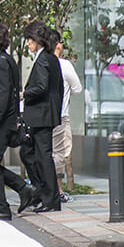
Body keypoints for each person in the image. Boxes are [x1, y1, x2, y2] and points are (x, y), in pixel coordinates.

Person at [0, 23, 32, 220]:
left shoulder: (0, 63)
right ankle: (23, 189)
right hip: (8, 120)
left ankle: (2, 207)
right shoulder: (8, 60)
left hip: (1, 122)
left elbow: (2, 97)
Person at [22, 21, 63, 213]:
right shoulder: (50, 58)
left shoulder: (44, 59)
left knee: (43, 157)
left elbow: (41, 87)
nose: (28, 44)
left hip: (41, 114)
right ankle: (44, 194)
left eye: (29, 40)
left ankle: (49, 198)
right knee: (32, 154)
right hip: (45, 114)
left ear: (37, 40)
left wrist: (24, 94)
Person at [49, 28, 83, 199]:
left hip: (44, 117)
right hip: (61, 115)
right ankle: (58, 191)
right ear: (58, 46)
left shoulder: (40, 63)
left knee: (48, 152)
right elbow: (77, 89)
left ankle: (48, 189)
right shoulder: (64, 65)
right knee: (60, 153)